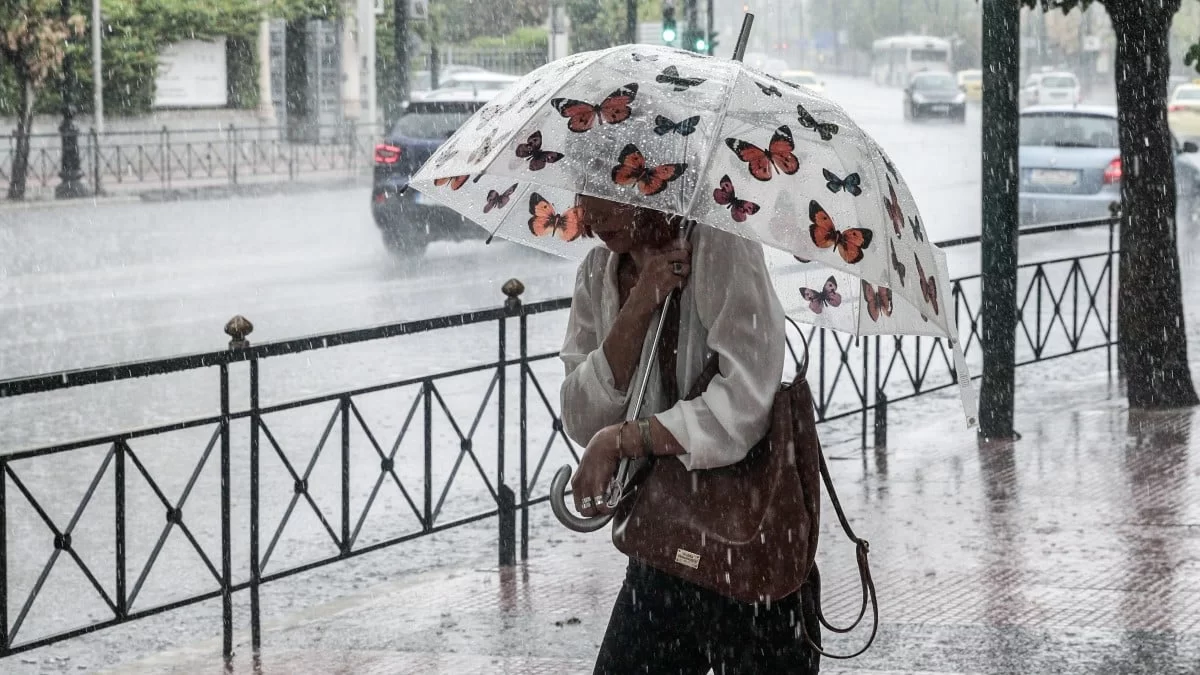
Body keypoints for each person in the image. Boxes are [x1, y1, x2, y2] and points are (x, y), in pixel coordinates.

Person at [558, 195, 822, 674]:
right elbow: (580, 415)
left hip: (751, 544)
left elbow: (744, 402)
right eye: (583, 191)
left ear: (647, 181)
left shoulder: (720, 242)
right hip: (663, 544)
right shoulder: (598, 271)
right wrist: (638, 307)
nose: (591, 214)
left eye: (606, 191)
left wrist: (623, 439)